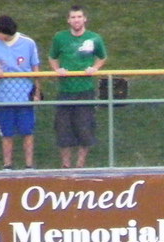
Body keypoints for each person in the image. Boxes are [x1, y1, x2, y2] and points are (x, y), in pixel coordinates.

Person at [48, 4, 106, 169]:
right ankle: (66, 165)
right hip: (65, 90)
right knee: (63, 128)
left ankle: (80, 165)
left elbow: (102, 57)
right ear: (68, 20)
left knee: (85, 127)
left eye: (79, 17)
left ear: (85, 19)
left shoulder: (94, 38)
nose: (76, 20)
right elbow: (52, 57)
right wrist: (57, 69)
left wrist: (94, 68)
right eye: (73, 17)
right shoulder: (60, 37)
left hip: (85, 90)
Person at [0, 14, 40, 170]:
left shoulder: (28, 43)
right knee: (6, 132)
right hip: (3, 94)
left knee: (27, 130)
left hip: (24, 94)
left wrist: (37, 91)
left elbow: (35, 67)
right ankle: (7, 164)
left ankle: (29, 164)